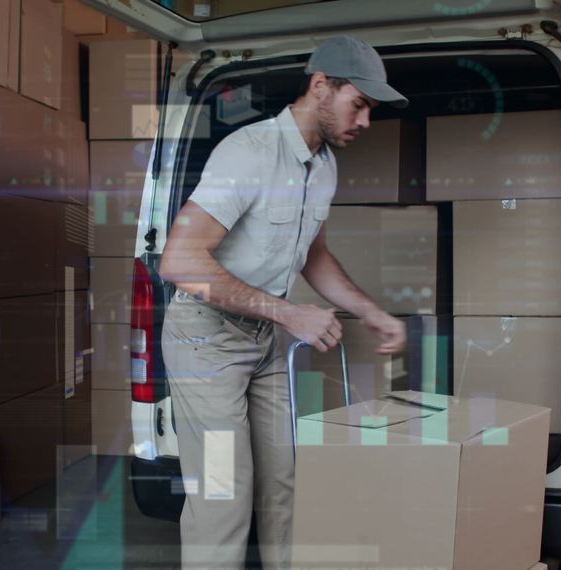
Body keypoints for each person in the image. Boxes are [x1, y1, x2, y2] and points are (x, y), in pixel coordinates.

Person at [158, 35, 409, 569]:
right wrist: (289, 312)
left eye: (370, 109)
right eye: (358, 104)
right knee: (224, 495)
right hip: (206, 345)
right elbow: (178, 262)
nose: (365, 121)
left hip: (267, 342)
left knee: (284, 484)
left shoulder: (323, 167)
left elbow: (313, 257)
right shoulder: (248, 153)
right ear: (321, 86)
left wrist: (373, 312)